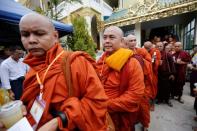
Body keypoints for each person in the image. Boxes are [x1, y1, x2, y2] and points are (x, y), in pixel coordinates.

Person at [0, 13, 108, 131]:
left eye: (39, 33)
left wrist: (59, 120)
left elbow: (97, 102)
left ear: (55, 36)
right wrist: (23, 108)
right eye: (25, 35)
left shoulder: (76, 62)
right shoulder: (32, 68)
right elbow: (33, 101)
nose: (31, 40)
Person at [97, 26, 145, 131]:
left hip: (120, 117)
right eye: (104, 37)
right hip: (99, 116)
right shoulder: (101, 60)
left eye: (111, 37)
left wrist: (106, 105)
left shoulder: (132, 63)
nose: (107, 41)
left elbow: (135, 95)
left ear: (122, 41)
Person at [126, 34, 154, 131]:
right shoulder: (122, 52)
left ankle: (145, 125)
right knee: (132, 106)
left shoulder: (141, 51)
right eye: (131, 41)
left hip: (143, 83)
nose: (133, 42)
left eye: (134, 40)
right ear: (126, 42)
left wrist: (139, 60)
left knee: (144, 107)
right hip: (129, 84)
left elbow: (149, 63)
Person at [155, 42, 175, 107]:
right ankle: (160, 99)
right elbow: (152, 62)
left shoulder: (167, 54)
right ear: (156, 47)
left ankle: (167, 100)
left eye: (160, 46)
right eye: (157, 46)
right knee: (159, 87)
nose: (159, 47)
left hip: (167, 73)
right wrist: (156, 61)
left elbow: (172, 64)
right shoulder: (154, 54)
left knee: (167, 87)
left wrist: (172, 74)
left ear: (163, 47)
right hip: (158, 73)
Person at [144, 41, 161, 111]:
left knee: (153, 89)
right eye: (145, 47)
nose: (146, 49)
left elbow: (153, 62)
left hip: (153, 73)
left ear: (151, 46)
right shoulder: (146, 51)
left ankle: (152, 104)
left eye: (147, 47)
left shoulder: (154, 52)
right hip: (147, 73)